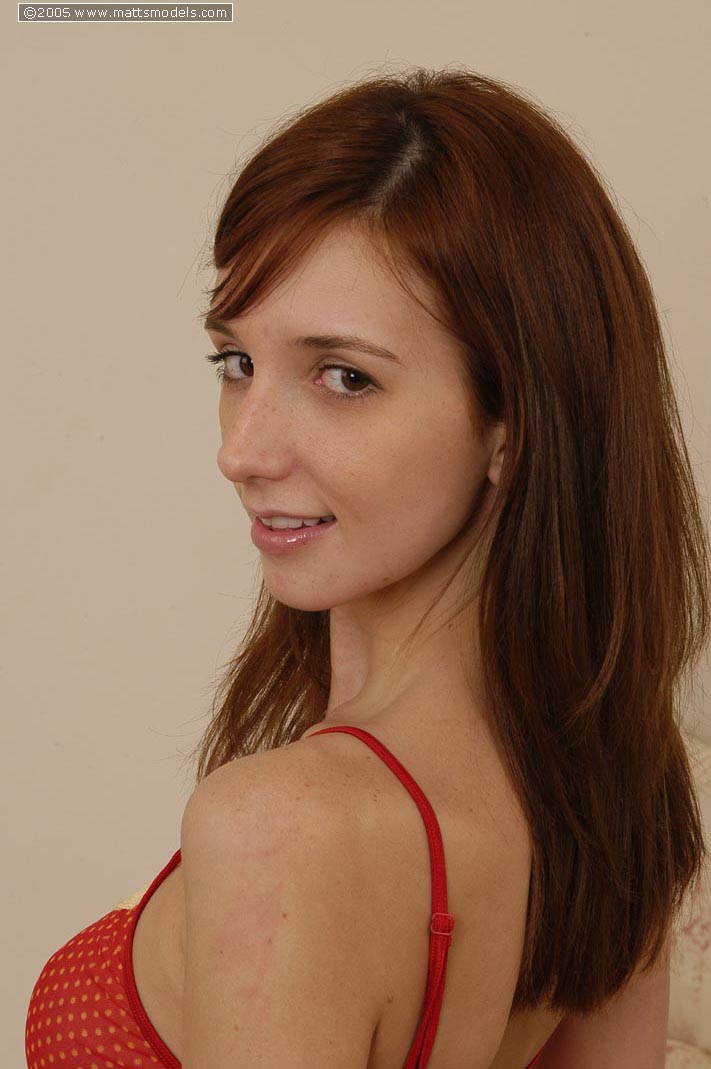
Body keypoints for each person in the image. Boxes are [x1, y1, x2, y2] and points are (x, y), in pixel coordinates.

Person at [25, 66, 709, 1069]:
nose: (241, 450)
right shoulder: (615, 779)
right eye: (236, 362)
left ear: (512, 425)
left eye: (343, 377)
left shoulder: (286, 828)